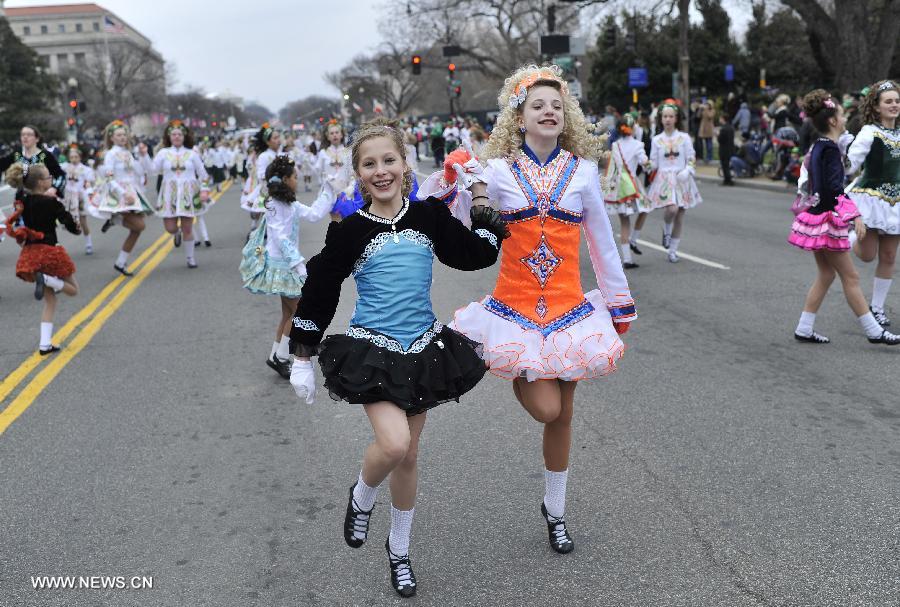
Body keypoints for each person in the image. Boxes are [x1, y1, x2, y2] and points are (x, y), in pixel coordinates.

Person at [418, 64, 636, 557]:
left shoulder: (581, 172)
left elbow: (602, 243)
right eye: (538, 105)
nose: (549, 112)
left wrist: (618, 302)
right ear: (519, 118)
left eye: (557, 106)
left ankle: (555, 512)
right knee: (547, 407)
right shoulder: (495, 173)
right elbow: (458, 219)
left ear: (567, 116)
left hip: (571, 313)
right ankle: (519, 371)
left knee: (565, 417)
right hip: (515, 314)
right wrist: (455, 181)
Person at [288, 117, 507, 598]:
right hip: (372, 352)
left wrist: (482, 200)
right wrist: (301, 354)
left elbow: (471, 254)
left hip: (423, 350)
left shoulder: (428, 215)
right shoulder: (349, 231)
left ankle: (400, 550)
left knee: (408, 456)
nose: (381, 170)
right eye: (370, 164)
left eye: (389, 160)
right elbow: (321, 289)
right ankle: (361, 495)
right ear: (359, 174)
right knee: (391, 445)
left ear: (405, 164)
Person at [788, 89, 899, 346]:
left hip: (817, 218)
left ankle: (804, 327)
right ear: (833, 121)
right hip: (827, 222)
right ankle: (874, 331)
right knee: (851, 278)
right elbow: (833, 190)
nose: (845, 118)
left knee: (826, 275)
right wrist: (855, 216)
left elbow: (819, 186)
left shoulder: (821, 147)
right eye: (841, 114)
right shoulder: (830, 152)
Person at [240, 155, 333, 378]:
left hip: (287, 264)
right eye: (294, 177)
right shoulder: (272, 203)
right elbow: (280, 237)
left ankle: (276, 356)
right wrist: (298, 264)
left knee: (288, 313)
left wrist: (328, 190)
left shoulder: (289, 203)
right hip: (282, 265)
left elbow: (313, 214)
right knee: (299, 311)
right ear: (284, 179)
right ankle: (280, 357)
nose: (297, 180)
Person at [4, 163, 80, 354]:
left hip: (31, 254)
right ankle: (47, 279)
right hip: (50, 251)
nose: (50, 180)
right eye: (48, 178)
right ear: (40, 182)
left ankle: (45, 343)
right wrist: (76, 227)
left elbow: (22, 195)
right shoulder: (51, 203)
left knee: (50, 300)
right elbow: (68, 223)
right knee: (73, 290)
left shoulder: (23, 201)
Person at [846, 80, 900, 326]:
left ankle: (877, 308)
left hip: (896, 201)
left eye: (897, 101)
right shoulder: (869, 132)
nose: (894, 105)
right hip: (870, 199)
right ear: (877, 107)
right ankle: (849, 238)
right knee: (868, 255)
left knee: (888, 256)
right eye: (888, 101)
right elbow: (851, 163)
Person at [88, 120, 152, 276]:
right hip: (119, 193)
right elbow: (109, 178)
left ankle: (121, 262)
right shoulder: (110, 154)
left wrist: (144, 156)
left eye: (124, 134)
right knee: (140, 226)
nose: (123, 137)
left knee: (137, 230)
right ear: (112, 138)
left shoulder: (129, 153)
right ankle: (114, 219)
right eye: (119, 135)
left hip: (133, 191)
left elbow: (142, 171)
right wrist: (123, 194)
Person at [143, 120, 210, 268]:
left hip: (188, 194)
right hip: (169, 194)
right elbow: (153, 170)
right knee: (170, 228)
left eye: (179, 134)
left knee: (188, 228)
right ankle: (177, 234)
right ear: (169, 136)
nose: (177, 136)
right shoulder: (163, 153)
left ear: (184, 136)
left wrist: (204, 190)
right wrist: (144, 156)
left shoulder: (192, 154)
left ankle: (190, 258)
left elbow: (203, 174)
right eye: (173, 134)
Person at [647, 100, 702, 262]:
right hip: (664, 180)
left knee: (680, 215)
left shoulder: (684, 138)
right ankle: (666, 229)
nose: (668, 119)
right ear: (661, 119)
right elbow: (654, 163)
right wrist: (642, 161)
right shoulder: (656, 140)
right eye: (665, 116)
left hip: (682, 178)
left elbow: (691, 157)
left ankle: (672, 251)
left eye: (671, 116)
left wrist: (688, 170)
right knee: (672, 209)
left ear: (676, 118)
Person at [604, 115, 651, 268]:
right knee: (646, 208)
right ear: (633, 128)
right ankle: (633, 239)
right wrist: (650, 165)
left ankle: (627, 259)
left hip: (619, 187)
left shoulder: (616, 145)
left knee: (624, 222)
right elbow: (645, 163)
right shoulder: (638, 145)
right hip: (632, 184)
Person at [0, 125, 67, 198]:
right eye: (23, 134)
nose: (25, 137)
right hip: (22, 199)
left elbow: (61, 175)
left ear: (37, 138)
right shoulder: (17, 154)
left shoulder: (45, 155)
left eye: (29, 134)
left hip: (43, 197)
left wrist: (54, 189)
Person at [62, 146, 96, 253]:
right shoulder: (65, 167)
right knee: (66, 218)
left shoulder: (85, 169)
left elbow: (90, 181)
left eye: (76, 157)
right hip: (68, 196)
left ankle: (89, 243)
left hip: (80, 196)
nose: (74, 159)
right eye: (71, 157)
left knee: (83, 221)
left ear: (80, 157)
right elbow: (53, 168)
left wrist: (89, 190)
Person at [717, 114, 736, 186]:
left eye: (720, 118)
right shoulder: (731, 127)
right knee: (727, 165)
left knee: (725, 166)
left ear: (723, 119)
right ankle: (728, 179)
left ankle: (727, 180)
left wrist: (718, 135)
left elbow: (721, 140)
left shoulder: (723, 129)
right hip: (730, 149)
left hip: (724, 149)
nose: (719, 120)